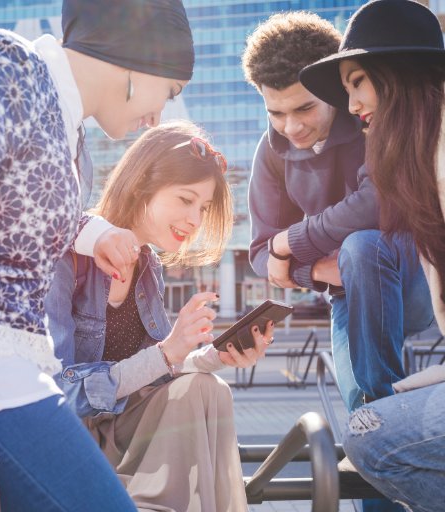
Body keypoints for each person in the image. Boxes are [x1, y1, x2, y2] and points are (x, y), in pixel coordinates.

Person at [0, 1, 197, 511]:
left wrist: (90, 232)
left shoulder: (69, 131)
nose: (158, 115)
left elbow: (3, 203)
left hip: (10, 371)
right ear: (139, 59)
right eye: (169, 91)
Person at [244, 12, 434, 511]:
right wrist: (311, 265)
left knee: (362, 246)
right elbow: (263, 252)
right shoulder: (274, 152)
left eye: (304, 107)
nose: (292, 126)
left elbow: (380, 203)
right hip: (351, 291)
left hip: (411, 276)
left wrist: (295, 245)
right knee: (365, 427)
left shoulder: (373, 116)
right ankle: (380, 439)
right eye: (276, 113)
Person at [45, 120, 274, 512]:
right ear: (141, 189)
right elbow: (57, 392)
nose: (196, 220)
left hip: (129, 428)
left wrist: (218, 356)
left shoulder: (149, 268)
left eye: (202, 208)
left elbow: (159, 371)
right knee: (201, 389)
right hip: (76, 435)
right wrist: (168, 352)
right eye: (186, 200)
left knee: (208, 386)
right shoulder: (68, 256)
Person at [299, 0, 445, 509]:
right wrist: (406, 392)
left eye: (358, 80)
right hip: (364, 295)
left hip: (397, 289)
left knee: (369, 439)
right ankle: (378, 411)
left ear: (399, 72)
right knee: (370, 422)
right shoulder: (418, 157)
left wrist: (289, 246)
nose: (353, 102)